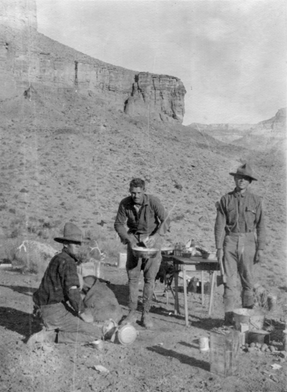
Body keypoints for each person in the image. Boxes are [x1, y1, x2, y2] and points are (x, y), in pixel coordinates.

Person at [28, 222, 102, 345]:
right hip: (54, 311)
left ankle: (49, 326)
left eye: (79, 243)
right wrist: (82, 313)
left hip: (43, 308)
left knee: (77, 321)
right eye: (75, 243)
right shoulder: (68, 262)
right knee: (95, 333)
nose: (78, 246)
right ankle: (50, 336)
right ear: (65, 244)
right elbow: (72, 292)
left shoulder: (58, 258)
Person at [214, 163, 266, 325]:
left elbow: (261, 226)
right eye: (239, 178)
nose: (242, 181)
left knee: (248, 281)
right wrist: (219, 247)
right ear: (235, 179)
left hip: (249, 242)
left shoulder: (256, 201)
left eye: (245, 179)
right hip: (230, 241)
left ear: (250, 182)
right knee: (229, 282)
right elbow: (219, 225)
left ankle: (247, 318)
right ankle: (229, 318)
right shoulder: (226, 199)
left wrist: (261, 248)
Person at [114, 178, 169, 329]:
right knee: (132, 279)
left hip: (152, 241)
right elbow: (118, 223)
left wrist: (156, 237)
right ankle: (131, 313)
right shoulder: (125, 203)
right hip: (134, 242)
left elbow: (166, 221)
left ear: (144, 191)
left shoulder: (153, 202)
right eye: (132, 193)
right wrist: (128, 239)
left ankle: (146, 314)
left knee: (149, 280)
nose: (135, 196)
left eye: (138, 193)